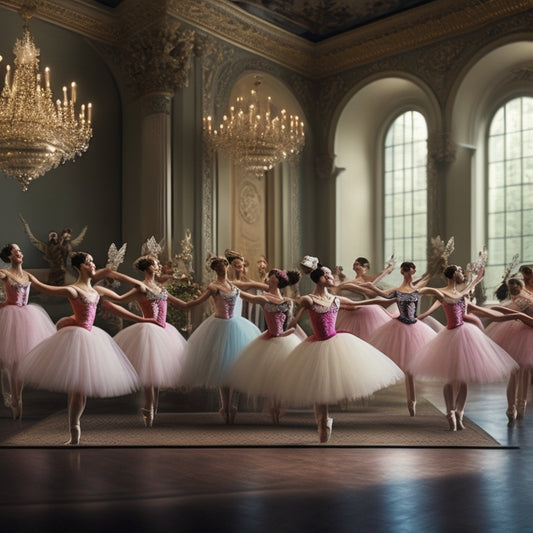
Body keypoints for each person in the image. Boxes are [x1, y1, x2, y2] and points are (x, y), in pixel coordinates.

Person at [18, 252, 153, 445]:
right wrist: (28, 278)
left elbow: (122, 299)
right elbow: (45, 289)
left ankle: (75, 429)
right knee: (77, 389)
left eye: (92, 261)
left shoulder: (98, 291)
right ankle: (74, 430)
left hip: (91, 337)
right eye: (89, 262)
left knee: (81, 390)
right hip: (77, 339)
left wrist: (130, 282)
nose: (93, 264)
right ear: (81, 266)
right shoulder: (73, 290)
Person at [274, 262, 403, 443]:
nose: (331, 277)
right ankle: (322, 421)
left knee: (327, 385)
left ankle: (325, 420)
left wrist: (389, 299)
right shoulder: (309, 300)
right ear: (319, 278)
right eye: (327, 275)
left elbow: (363, 303)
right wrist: (287, 330)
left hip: (336, 342)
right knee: (318, 388)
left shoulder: (336, 300)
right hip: (316, 346)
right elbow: (293, 321)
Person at [408, 264, 518, 431]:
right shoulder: (442, 293)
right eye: (459, 271)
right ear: (452, 275)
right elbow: (427, 291)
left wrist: (479, 277)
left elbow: (470, 289)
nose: (462, 273)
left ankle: (459, 413)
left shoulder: (462, 294)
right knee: (451, 379)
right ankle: (450, 412)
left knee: (463, 379)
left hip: (466, 335)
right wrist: (415, 288)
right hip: (451, 337)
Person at [102, 254, 189, 428]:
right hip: (148, 331)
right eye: (155, 264)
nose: (158, 266)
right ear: (146, 267)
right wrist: (104, 295)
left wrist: (203, 299)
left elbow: (183, 305)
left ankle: (153, 410)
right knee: (150, 372)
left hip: (164, 332)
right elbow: (120, 300)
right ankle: (148, 408)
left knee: (156, 372)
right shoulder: (140, 288)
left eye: (158, 263)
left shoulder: (161, 288)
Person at [175, 255, 261, 424]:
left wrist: (268, 300)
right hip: (219, 326)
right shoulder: (213, 286)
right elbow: (195, 302)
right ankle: (226, 406)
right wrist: (178, 303)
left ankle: (230, 405)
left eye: (224, 265)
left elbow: (251, 298)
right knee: (222, 369)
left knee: (235, 367)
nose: (222, 268)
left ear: (227, 266)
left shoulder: (233, 286)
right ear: (215, 269)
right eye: (218, 266)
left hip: (236, 326)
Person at [350, 262, 437, 416]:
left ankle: (412, 401)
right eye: (407, 270)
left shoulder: (418, 288)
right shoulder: (397, 290)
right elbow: (383, 296)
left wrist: (436, 266)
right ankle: (410, 401)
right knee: (404, 367)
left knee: (412, 367)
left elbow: (431, 284)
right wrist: (372, 287)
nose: (410, 272)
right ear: (403, 272)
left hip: (416, 327)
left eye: (411, 270)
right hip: (400, 326)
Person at [224, 268, 304, 423]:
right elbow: (244, 295)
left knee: (281, 376)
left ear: (276, 279)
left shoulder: (288, 302)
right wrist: (229, 284)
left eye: (271, 275)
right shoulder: (264, 298)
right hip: (269, 340)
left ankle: (277, 410)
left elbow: (288, 323)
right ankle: (273, 411)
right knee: (271, 376)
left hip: (284, 340)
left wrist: (288, 334)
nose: (268, 277)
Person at [0, 243, 56, 420]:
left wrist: (71, 291)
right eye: (16, 251)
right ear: (9, 256)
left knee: (22, 361)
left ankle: (18, 396)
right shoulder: (4, 274)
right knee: (13, 361)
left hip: (27, 316)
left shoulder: (28, 275)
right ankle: (14, 398)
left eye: (20, 250)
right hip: (10, 316)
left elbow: (48, 289)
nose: (19, 252)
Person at [486, 277, 533, 423]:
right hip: (519, 334)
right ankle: (512, 406)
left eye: (515, 284)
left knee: (525, 372)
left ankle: (521, 404)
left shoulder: (527, 297)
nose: (513, 287)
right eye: (511, 285)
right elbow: (508, 312)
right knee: (515, 372)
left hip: (528, 334)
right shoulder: (521, 300)